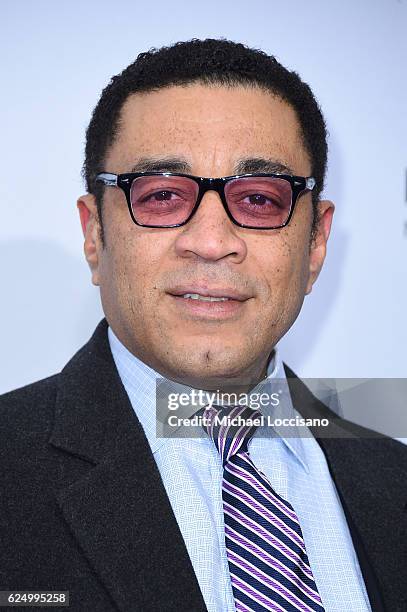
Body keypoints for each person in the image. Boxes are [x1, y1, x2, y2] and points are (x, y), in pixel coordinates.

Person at [0, 38, 405, 612]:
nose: (212, 243)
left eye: (261, 199)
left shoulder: (397, 480)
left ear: (315, 244)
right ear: (95, 235)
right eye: (163, 195)